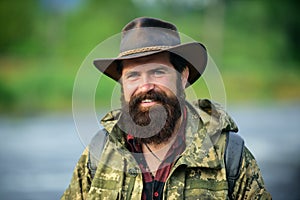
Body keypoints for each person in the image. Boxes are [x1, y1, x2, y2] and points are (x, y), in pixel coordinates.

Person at [61, 17, 271, 199]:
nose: (145, 86)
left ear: (183, 76)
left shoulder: (228, 155)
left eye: (158, 72)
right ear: (123, 84)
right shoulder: (99, 152)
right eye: (133, 75)